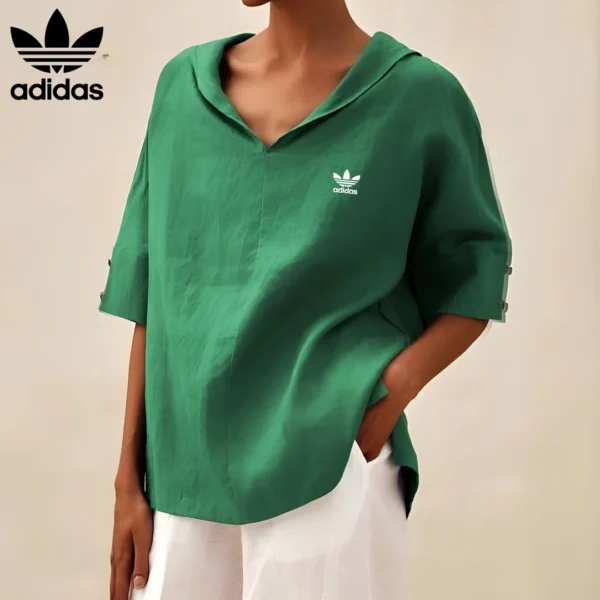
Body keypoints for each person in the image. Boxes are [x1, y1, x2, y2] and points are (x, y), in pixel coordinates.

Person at [100, 0, 511, 598]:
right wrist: (127, 481)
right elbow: (153, 296)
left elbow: (473, 273)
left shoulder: (419, 96)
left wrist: (389, 395)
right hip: (181, 472)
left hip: (329, 461)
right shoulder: (183, 90)